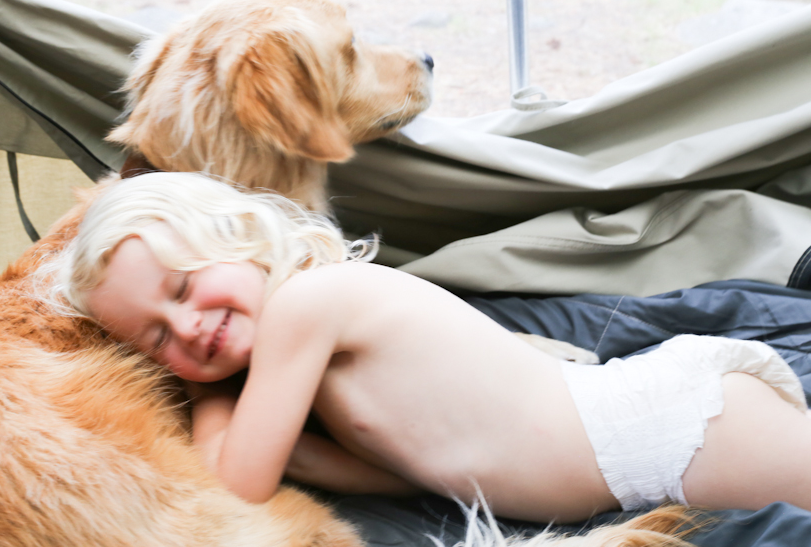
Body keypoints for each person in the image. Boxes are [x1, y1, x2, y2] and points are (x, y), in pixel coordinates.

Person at [43, 171, 811, 524]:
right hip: (643, 444)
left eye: (183, 289)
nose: (188, 327)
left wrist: (204, 393)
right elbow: (407, 472)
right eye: (156, 337)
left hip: (669, 434)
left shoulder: (308, 307)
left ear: (236, 236)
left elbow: (233, 488)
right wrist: (293, 451)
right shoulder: (300, 364)